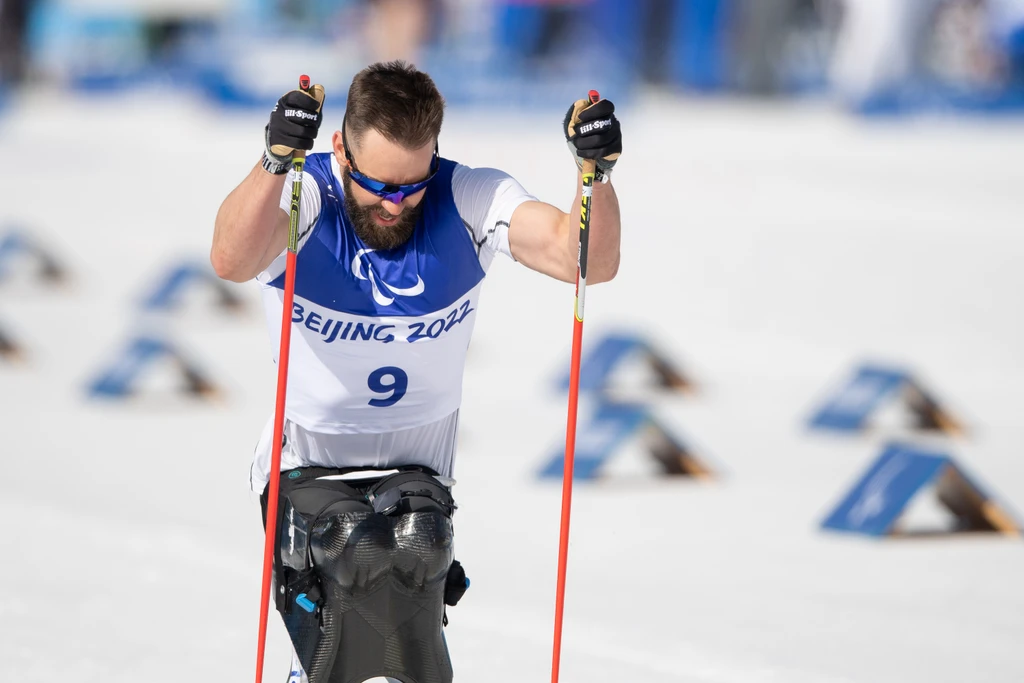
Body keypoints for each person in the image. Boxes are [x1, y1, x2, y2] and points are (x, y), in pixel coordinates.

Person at [211, 60, 622, 683]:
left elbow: (585, 259)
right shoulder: (307, 195)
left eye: (411, 185)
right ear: (341, 151)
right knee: (352, 558)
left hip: (417, 471)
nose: (393, 203)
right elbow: (230, 258)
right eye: (378, 185)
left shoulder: (467, 198)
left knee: (414, 571)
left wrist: (596, 178)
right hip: (308, 465)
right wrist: (274, 161)